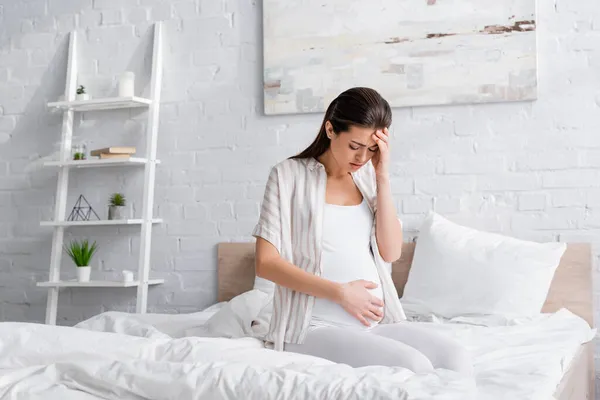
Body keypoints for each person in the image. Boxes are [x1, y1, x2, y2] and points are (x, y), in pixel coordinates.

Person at [251, 87, 472, 375]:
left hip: (373, 324)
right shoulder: (287, 176)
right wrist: (340, 293)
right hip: (312, 325)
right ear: (330, 129)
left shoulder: (368, 177)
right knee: (412, 366)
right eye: (355, 146)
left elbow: (391, 252)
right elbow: (266, 264)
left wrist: (382, 176)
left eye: (371, 149)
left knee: (456, 356)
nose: (362, 156)